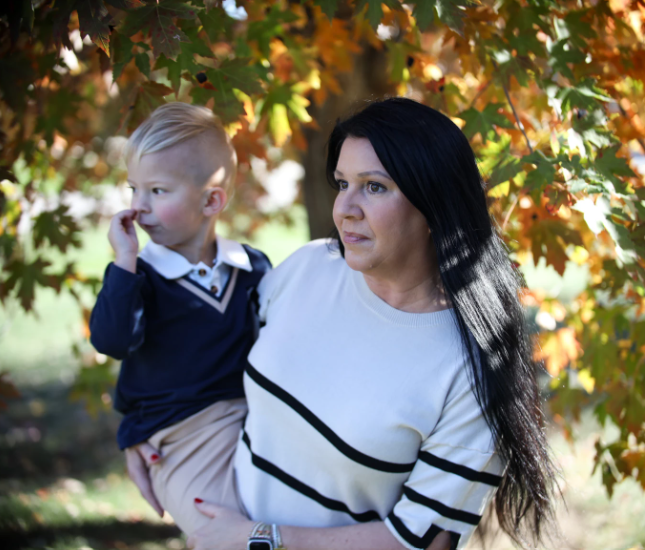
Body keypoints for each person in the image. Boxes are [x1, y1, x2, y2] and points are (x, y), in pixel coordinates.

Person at [129, 97, 557, 549]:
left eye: (374, 187)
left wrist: (260, 540)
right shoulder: (308, 268)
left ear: (435, 204)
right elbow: (208, 359)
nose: (345, 209)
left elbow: (420, 542)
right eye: (342, 184)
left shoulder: (469, 370)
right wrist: (150, 428)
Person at [89, 102, 271, 535]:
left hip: (257, 420)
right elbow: (113, 341)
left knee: (287, 522)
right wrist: (125, 261)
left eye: (158, 191)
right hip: (179, 434)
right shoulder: (138, 276)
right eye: (134, 188)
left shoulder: (251, 267)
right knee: (224, 536)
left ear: (211, 200)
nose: (139, 207)